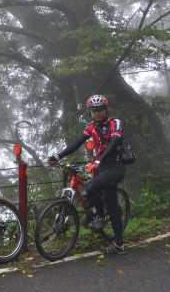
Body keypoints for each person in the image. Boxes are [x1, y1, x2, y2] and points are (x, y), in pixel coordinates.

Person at [48, 94, 126, 254]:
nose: (97, 113)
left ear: (105, 109)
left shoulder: (115, 123)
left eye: (100, 110)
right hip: (101, 168)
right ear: (90, 112)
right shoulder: (90, 127)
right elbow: (77, 143)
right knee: (111, 205)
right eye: (93, 111)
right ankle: (118, 242)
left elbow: (114, 142)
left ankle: (100, 218)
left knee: (90, 186)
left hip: (115, 166)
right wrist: (58, 156)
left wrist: (98, 160)